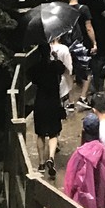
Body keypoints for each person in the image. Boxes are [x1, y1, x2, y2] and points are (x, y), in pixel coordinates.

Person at [27, 38, 72, 178]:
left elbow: (33, 79)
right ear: (49, 51)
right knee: (53, 133)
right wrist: (56, 58)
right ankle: (51, 158)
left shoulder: (35, 68)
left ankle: (40, 164)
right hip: (53, 102)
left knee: (40, 134)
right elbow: (63, 70)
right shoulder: (55, 66)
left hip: (40, 102)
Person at [62, 0, 97, 109]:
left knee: (69, 73)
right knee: (87, 72)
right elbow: (88, 28)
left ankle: (70, 102)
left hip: (67, 45)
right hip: (79, 44)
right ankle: (82, 98)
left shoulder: (64, 9)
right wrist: (94, 43)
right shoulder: (84, 9)